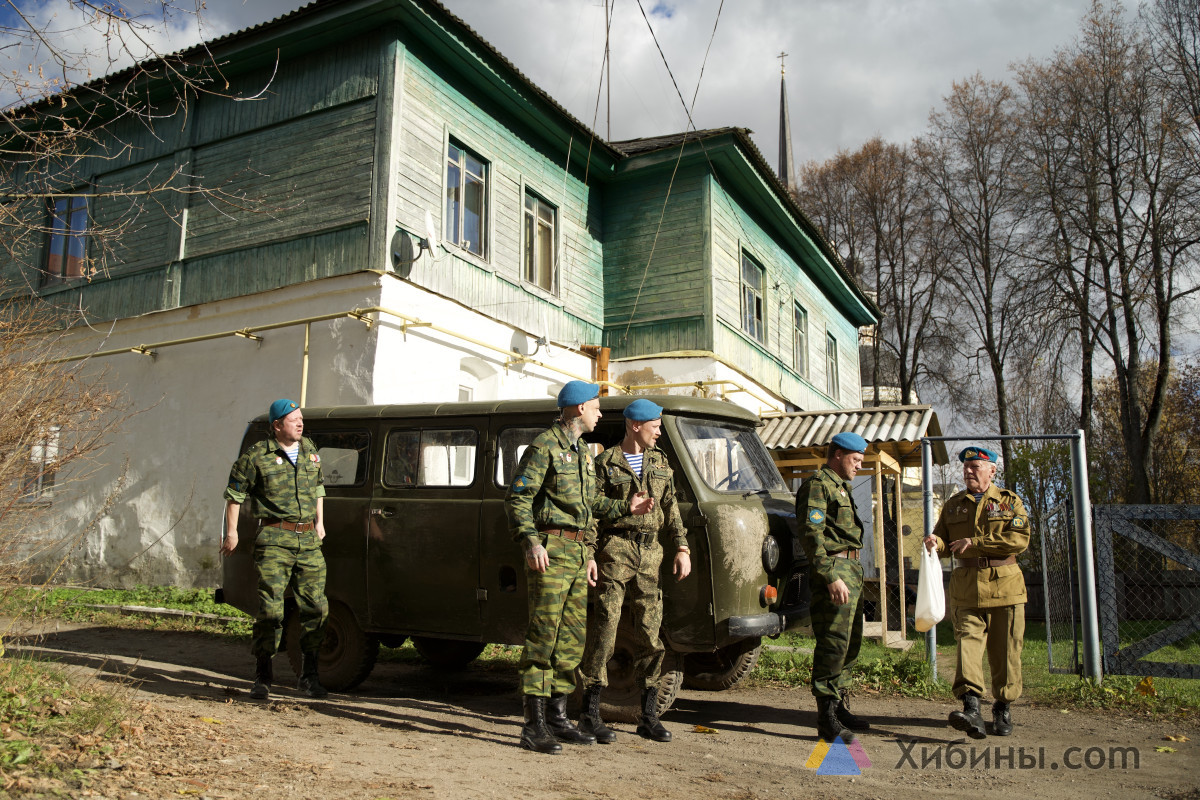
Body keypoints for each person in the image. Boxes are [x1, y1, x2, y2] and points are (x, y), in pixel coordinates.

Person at [505, 381, 653, 754]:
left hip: (575, 553)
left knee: (571, 639)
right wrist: (531, 541)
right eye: (595, 406)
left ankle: (557, 717)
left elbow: (590, 509)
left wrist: (624, 511)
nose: (600, 413)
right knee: (544, 636)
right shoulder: (545, 447)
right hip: (551, 550)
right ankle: (533, 724)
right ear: (576, 409)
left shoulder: (584, 454)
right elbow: (518, 498)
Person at [578, 398, 692, 744]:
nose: (659, 432)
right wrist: (590, 555)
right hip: (616, 548)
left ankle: (648, 715)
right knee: (606, 627)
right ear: (635, 426)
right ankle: (589, 713)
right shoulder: (605, 463)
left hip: (650, 552)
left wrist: (682, 547)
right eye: (655, 426)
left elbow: (671, 507)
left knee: (649, 632)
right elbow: (592, 514)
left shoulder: (659, 461)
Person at [221, 399, 329, 701]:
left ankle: (309, 677)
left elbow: (319, 488)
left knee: (316, 608)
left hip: (308, 540)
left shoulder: (309, 449)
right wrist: (232, 533)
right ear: (277, 425)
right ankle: (263, 675)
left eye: (301, 418)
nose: (300, 423)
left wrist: (320, 522)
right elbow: (234, 495)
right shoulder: (256, 457)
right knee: (271, 609)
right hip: (274, 538)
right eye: (293, 419)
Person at [924, 446, 1029, 738]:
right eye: (966, 467)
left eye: (976, 467)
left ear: (992, 471)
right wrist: (936, 542)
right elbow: (945, 542)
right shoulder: (954, 504)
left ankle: (1002, 705)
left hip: (1005, 586)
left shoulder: (1009, 503)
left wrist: (976, 542)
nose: (969, 471)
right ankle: (971, 708)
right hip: (967, 586)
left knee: (1005, 651)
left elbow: (1018, 540)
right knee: (967, 644)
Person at [796, 431, 871, 744]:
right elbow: (811, 536)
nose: (858, 466)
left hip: (851, 569)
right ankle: (826, 717)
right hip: (835, 570)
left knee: (850, 643)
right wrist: (829, 576)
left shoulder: (842, 487)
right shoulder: (818, 486)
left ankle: (838, 707)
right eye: (855, 460)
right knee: (833, 644)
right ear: (838, 455)